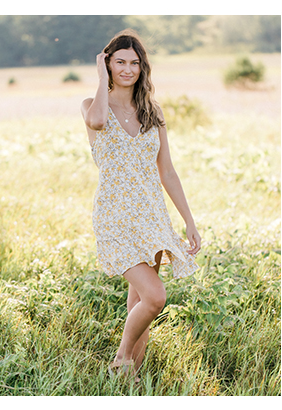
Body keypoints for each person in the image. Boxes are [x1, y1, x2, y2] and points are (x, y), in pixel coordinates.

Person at [80, 29, 202, 376]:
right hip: (115, 217)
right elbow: (98, 122)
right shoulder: (92, 106)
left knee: (140, 303)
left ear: (142, 67)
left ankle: (130, 380)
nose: (128, 69)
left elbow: (168, 172)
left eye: (134, 63)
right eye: (119, 62)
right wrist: (102, 79)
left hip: (152, 217)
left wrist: (189, 222)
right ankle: (121, 358)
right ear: (107, 63)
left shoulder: (152, 111)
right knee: (155, 297)